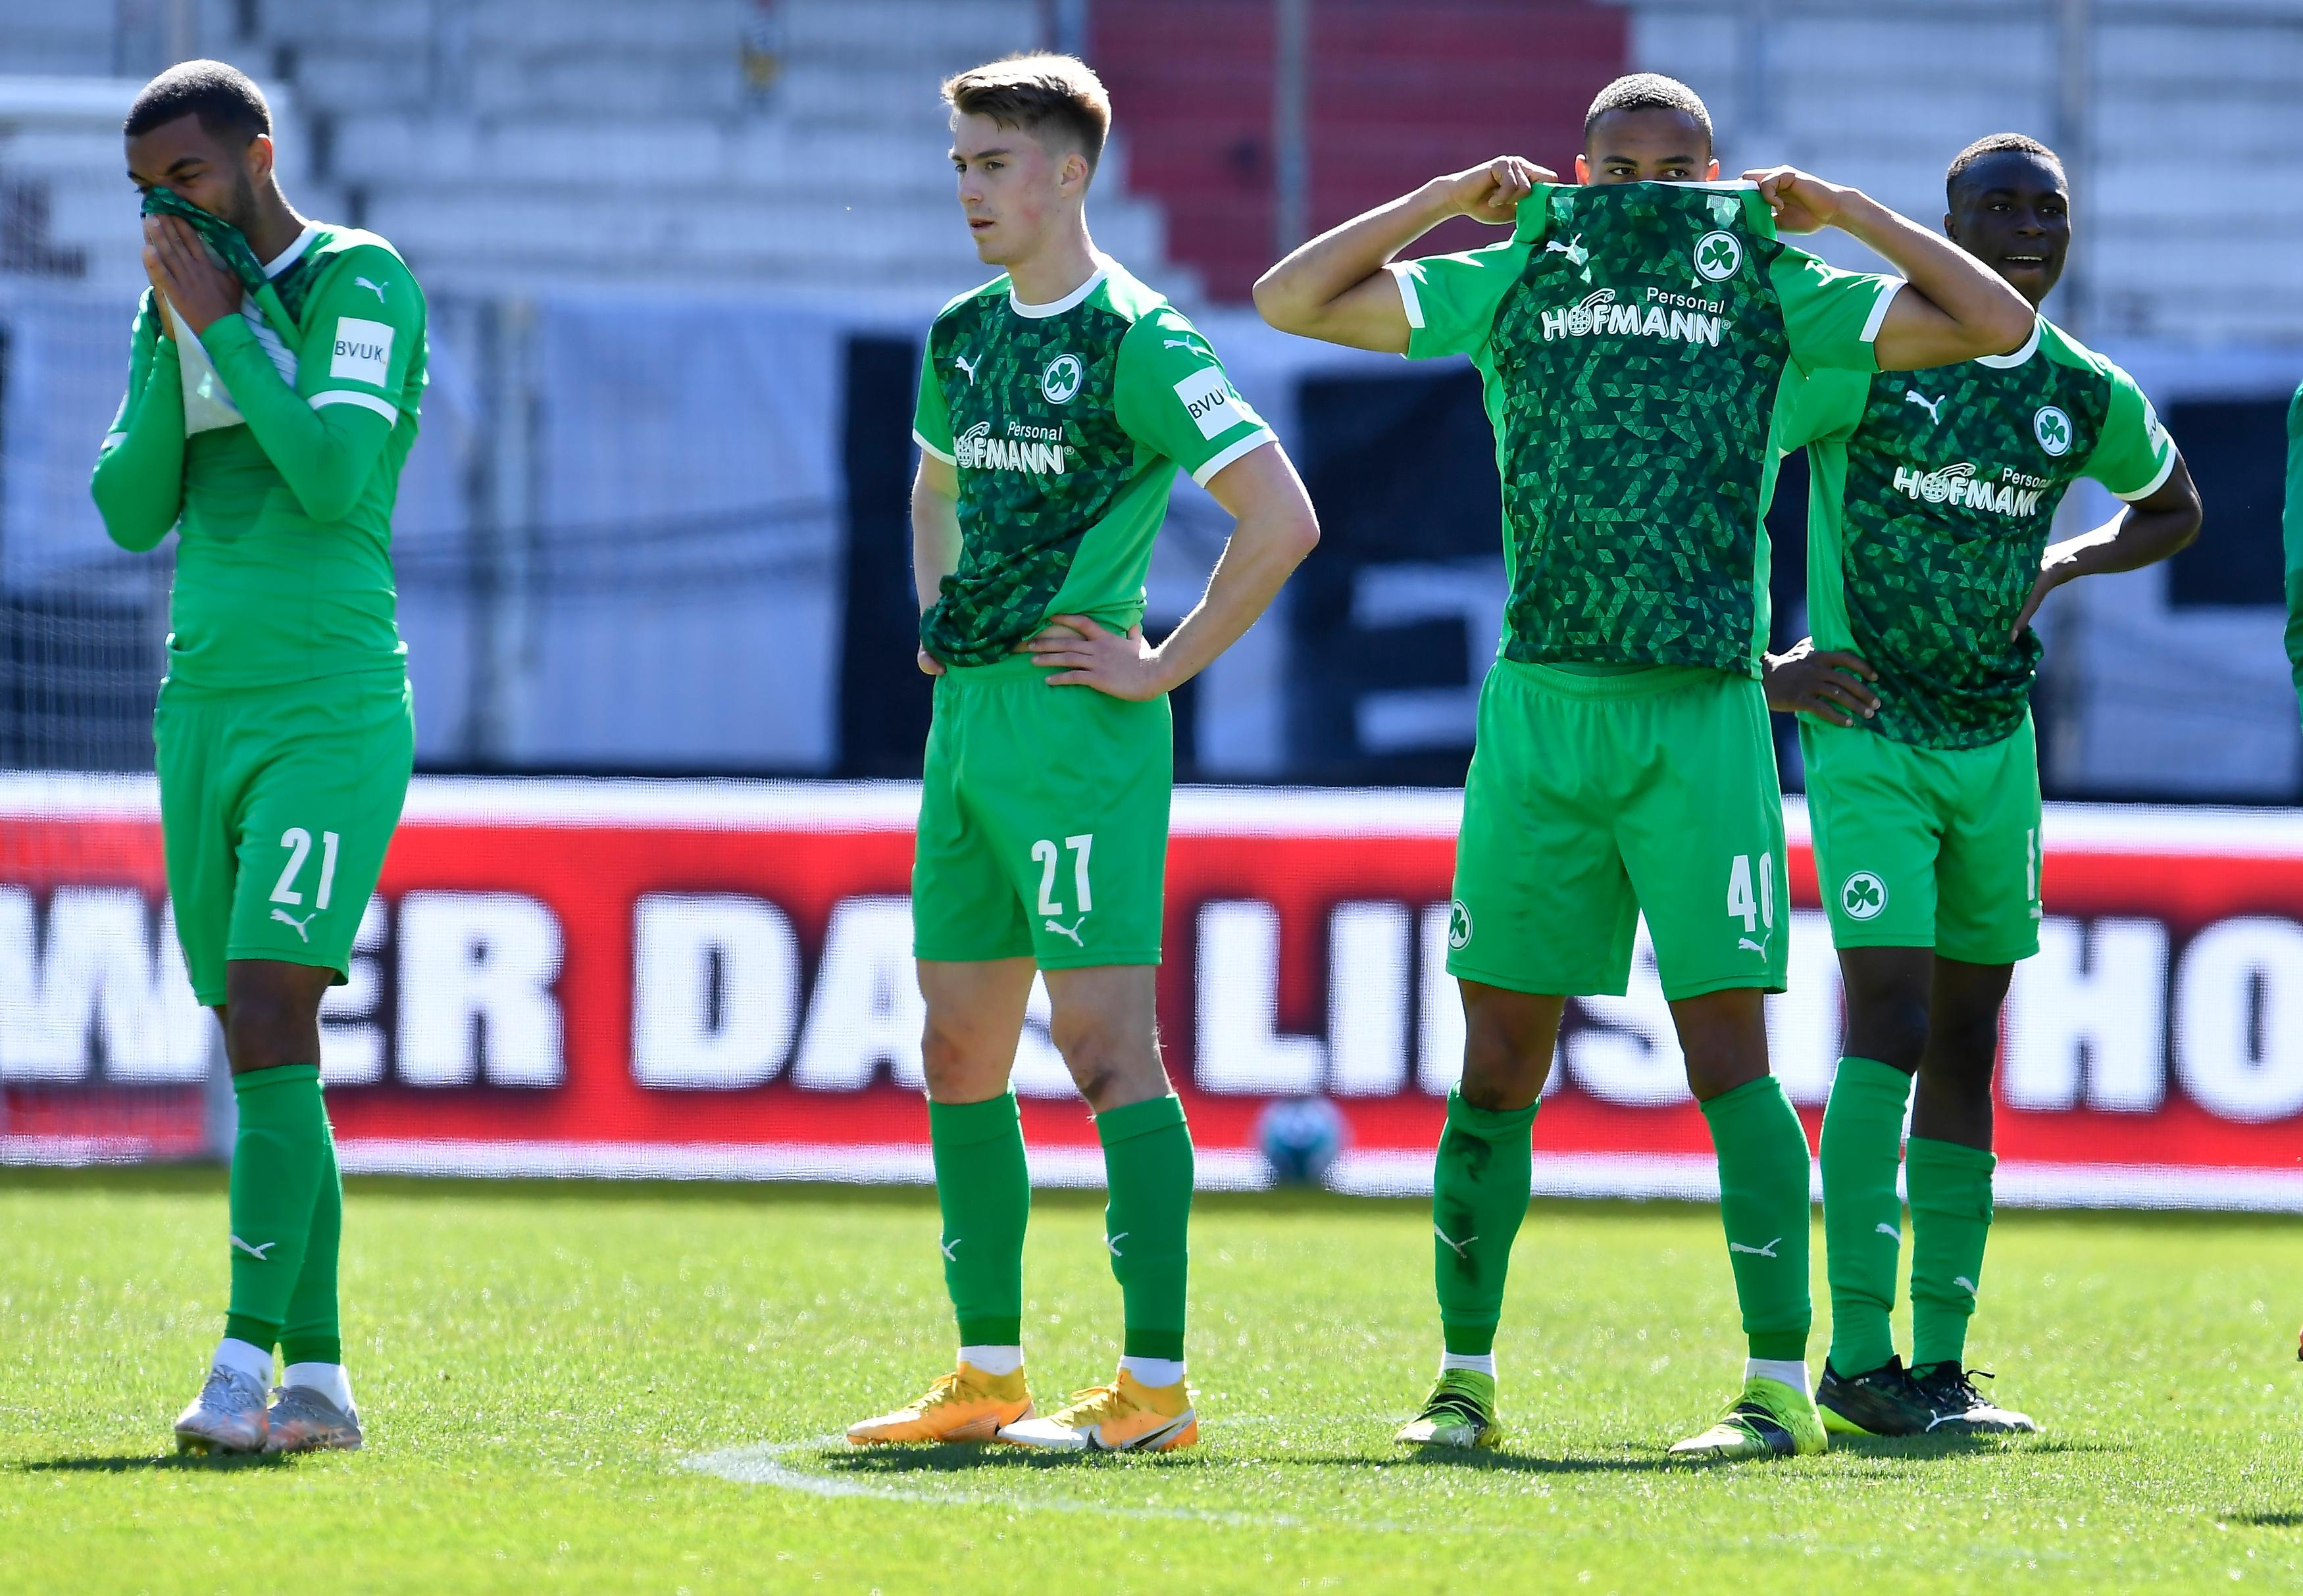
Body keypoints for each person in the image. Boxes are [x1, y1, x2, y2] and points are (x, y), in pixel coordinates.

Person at [1253, 73, 2034, 1460]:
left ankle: (1772, 1391)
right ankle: (1461, 1382)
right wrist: (1445, 201)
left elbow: (1997, 323)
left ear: (1718, 176)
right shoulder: (1511, 279)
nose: (1646, 191)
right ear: (1577, 170)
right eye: (1619, 169)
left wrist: (1842, 213)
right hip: (1543, 714)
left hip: (1703, 723)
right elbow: (1289, 299)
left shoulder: (1771, 291)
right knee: (1497, 1064)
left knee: (1726, 1057)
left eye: (1678, 168)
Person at [844, 53, 1319, 1455]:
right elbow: (931, 484)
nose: (971, 189)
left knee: (1108, 1052)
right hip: (970, 724)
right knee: (955, 1052)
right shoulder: (960, 333)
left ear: (1068, 173)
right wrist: (935, 612)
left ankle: (1154, 1391)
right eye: (959, 165)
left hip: (1078, 728)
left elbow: (1279, 516)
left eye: (993, 163)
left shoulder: (1140, 340)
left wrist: (1164, 660)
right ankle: (986, 1376)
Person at [1773, 132, 2201, 1437]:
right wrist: (1762, 665)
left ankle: (1942, 1364)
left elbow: (2171, 504)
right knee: (1889, 1021)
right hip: (1869, 737)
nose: (2025, 226)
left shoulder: (2081, 389)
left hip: (1993, 747)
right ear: (1947, 222)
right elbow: (1716, 481)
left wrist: (2064, 564)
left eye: (2046, 209)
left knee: (1967, 1034)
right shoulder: (1875, 359)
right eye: (1996, 206)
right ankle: (1853, 1355)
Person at [90, 60, 428, 1455]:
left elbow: (334, 477)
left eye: (189, 177)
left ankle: (240, 1362)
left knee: (280, 1010)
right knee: (264, 1048)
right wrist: (180, 341)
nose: (169, 209)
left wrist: (226, 329)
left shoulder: (359, 281)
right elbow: (126, 506)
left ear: (258, 155)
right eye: (146, 191)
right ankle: (326, 1384)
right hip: (204, 708)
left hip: (330, 707)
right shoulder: (177, 309)